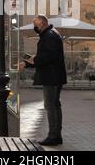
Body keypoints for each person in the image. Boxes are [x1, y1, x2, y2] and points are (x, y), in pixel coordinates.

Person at [20, 15, 67, 146]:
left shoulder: (49, 36)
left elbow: (46, 57)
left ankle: (53, 136)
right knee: (55, 106)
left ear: (43, 24)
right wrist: (32, 60)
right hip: (55, 76)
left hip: (52, 77)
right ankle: (56, 135)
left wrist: (28, 63)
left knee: (50, 106)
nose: (35, 27)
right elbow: (46, 55)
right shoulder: (51, 34)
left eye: (36, 25)